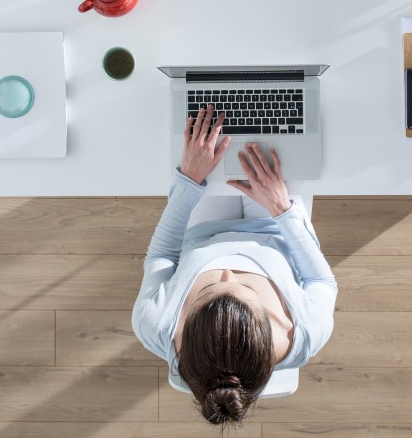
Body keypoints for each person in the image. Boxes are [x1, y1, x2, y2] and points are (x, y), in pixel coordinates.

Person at [132, 104, 337, 426]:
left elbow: (163, 255)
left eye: (210, 289)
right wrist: (281, 207)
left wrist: (189, 180)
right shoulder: (306, 334)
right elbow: (320, 280)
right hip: (277, 227)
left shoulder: (155, 326)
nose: (228, 272)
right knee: (286, 121)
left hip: (204, 231)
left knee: (208, 141)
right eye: (245, 288)